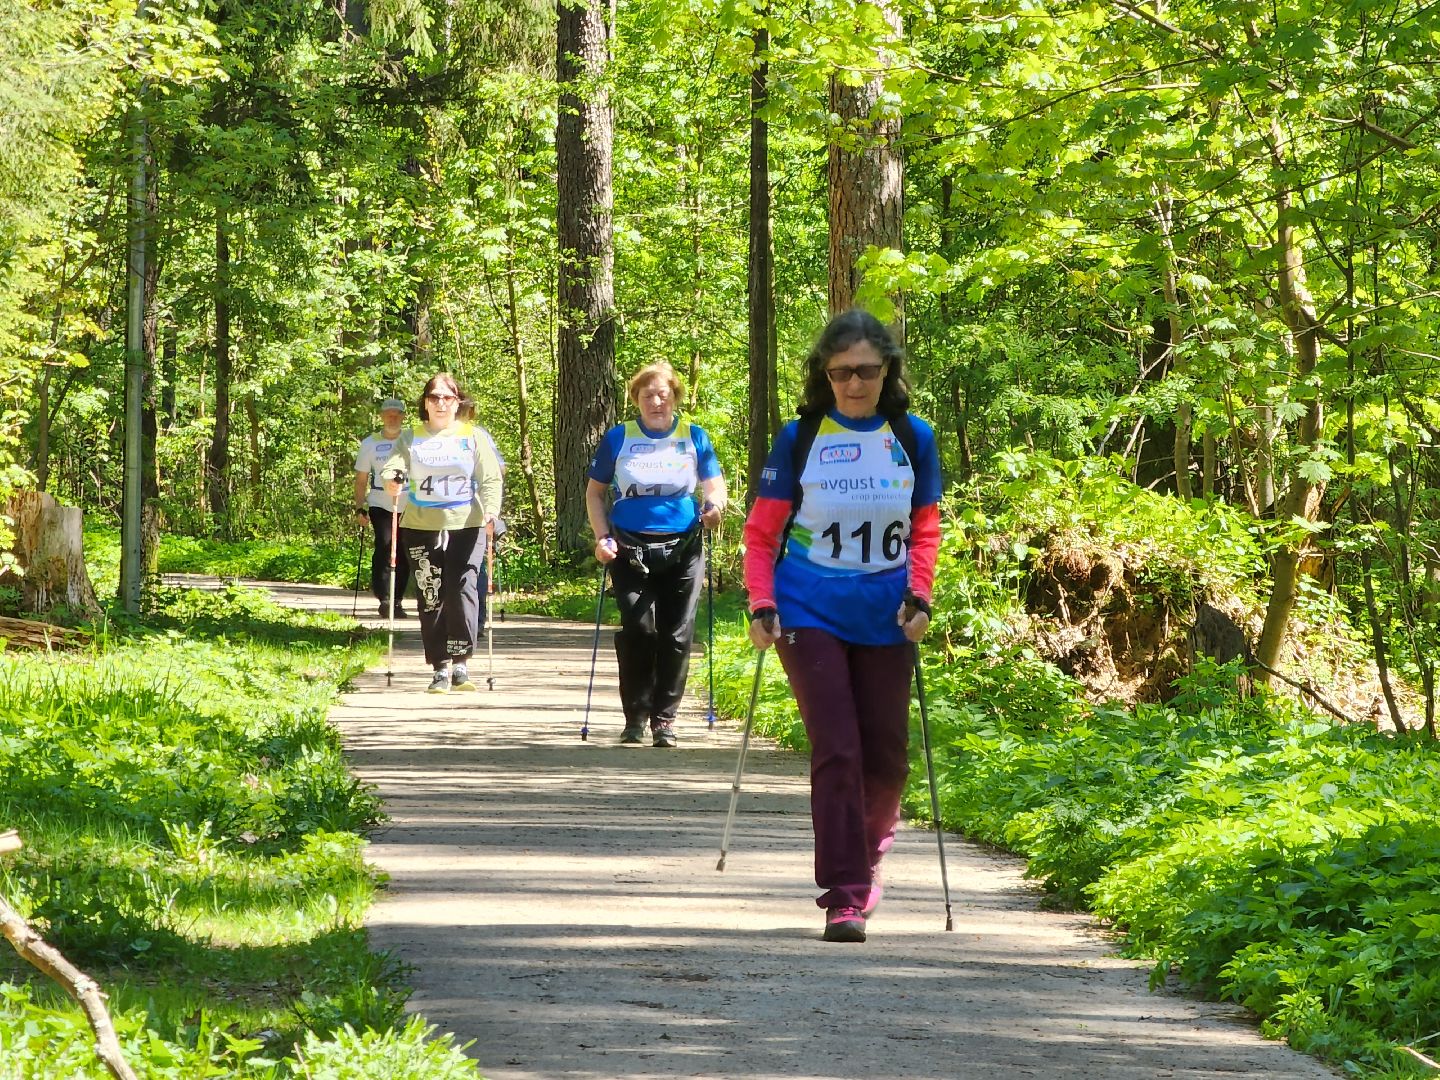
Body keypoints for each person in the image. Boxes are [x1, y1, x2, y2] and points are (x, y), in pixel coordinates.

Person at [742, 310, 941, 943]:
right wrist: (761, 604)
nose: (854, 383)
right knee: (838, 747)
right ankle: (844, 896)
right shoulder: (801, 437)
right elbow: (762, 530)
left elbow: (926, 527)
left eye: (866, 371)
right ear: (824, 375)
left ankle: (871, 852)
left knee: (887, 756)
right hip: (810, 608)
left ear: (888, 372)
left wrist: (920, 596)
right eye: (841, 372)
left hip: (886, 612)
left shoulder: (913, 438)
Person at [585, 361, 726, 747]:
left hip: (684, 545)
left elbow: (715, 486)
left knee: (677, 633)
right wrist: (601, 537)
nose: (656, 401)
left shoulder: (694, 436)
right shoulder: (619, 438)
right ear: (636, 400)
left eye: (663, 394)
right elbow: (595, 492)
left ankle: (665, 719)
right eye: (648, 395)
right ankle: (635, 716)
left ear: (675, 397)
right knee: (638, 628)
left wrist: (714, 508)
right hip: (629, 546)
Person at [382, 373, 504, 694]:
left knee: (462, 589)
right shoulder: (411, 437)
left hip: (467, 522)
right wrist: (393, 479)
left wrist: (491, 510)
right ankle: (439, 667)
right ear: (425, 403)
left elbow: (490, 477)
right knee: (431, 593)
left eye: (447, 397)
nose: (440, 403)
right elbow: (392, 467)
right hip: (421, 524)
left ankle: (461, 662)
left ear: (457, 402)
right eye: (434, 397)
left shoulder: (472, 436)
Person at [353, 397, 412, 618]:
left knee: (405, 551)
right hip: (380, 504)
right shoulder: (370, 443)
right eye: (389, 413)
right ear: (381, 416)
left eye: (397, 414)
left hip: (408, 505)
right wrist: (359, 508)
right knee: (386, 546)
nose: (393, 417)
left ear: (403, 416)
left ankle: (397, 600)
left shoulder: (411, 440)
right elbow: (361, 479)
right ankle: (384, 597)